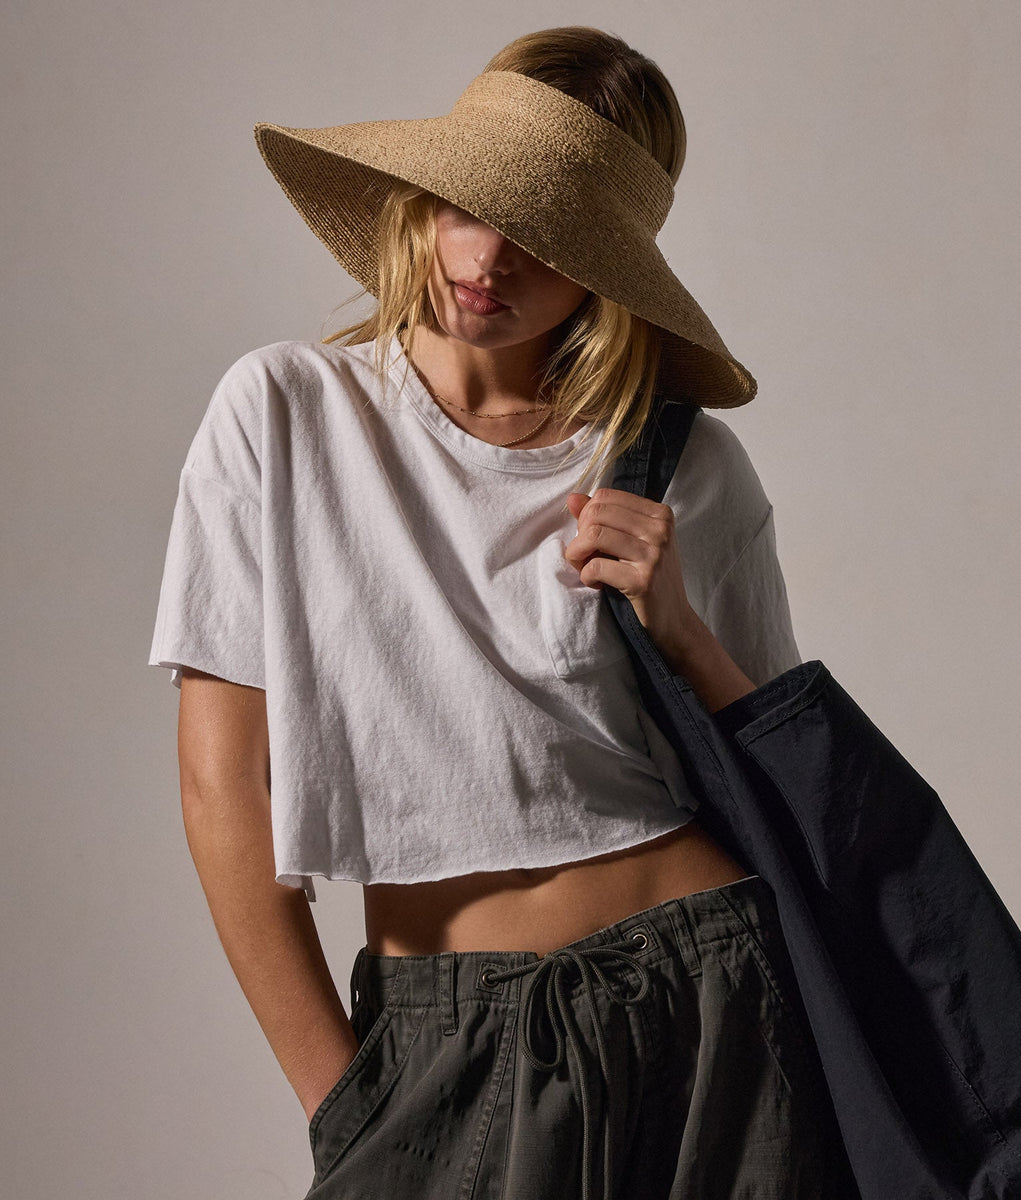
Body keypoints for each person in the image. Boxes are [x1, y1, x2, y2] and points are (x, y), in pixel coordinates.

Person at [149, 25, 841, 1200]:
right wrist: (341, 1103)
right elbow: (225, 789)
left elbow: (780, 772)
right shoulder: (283, 412)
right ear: (421, 199)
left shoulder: (685, 465)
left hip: (712, 999)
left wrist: (679, 626)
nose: (489, 256)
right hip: (444, 1022)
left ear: (608, 268)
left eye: (551, 231)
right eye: (473, 203)